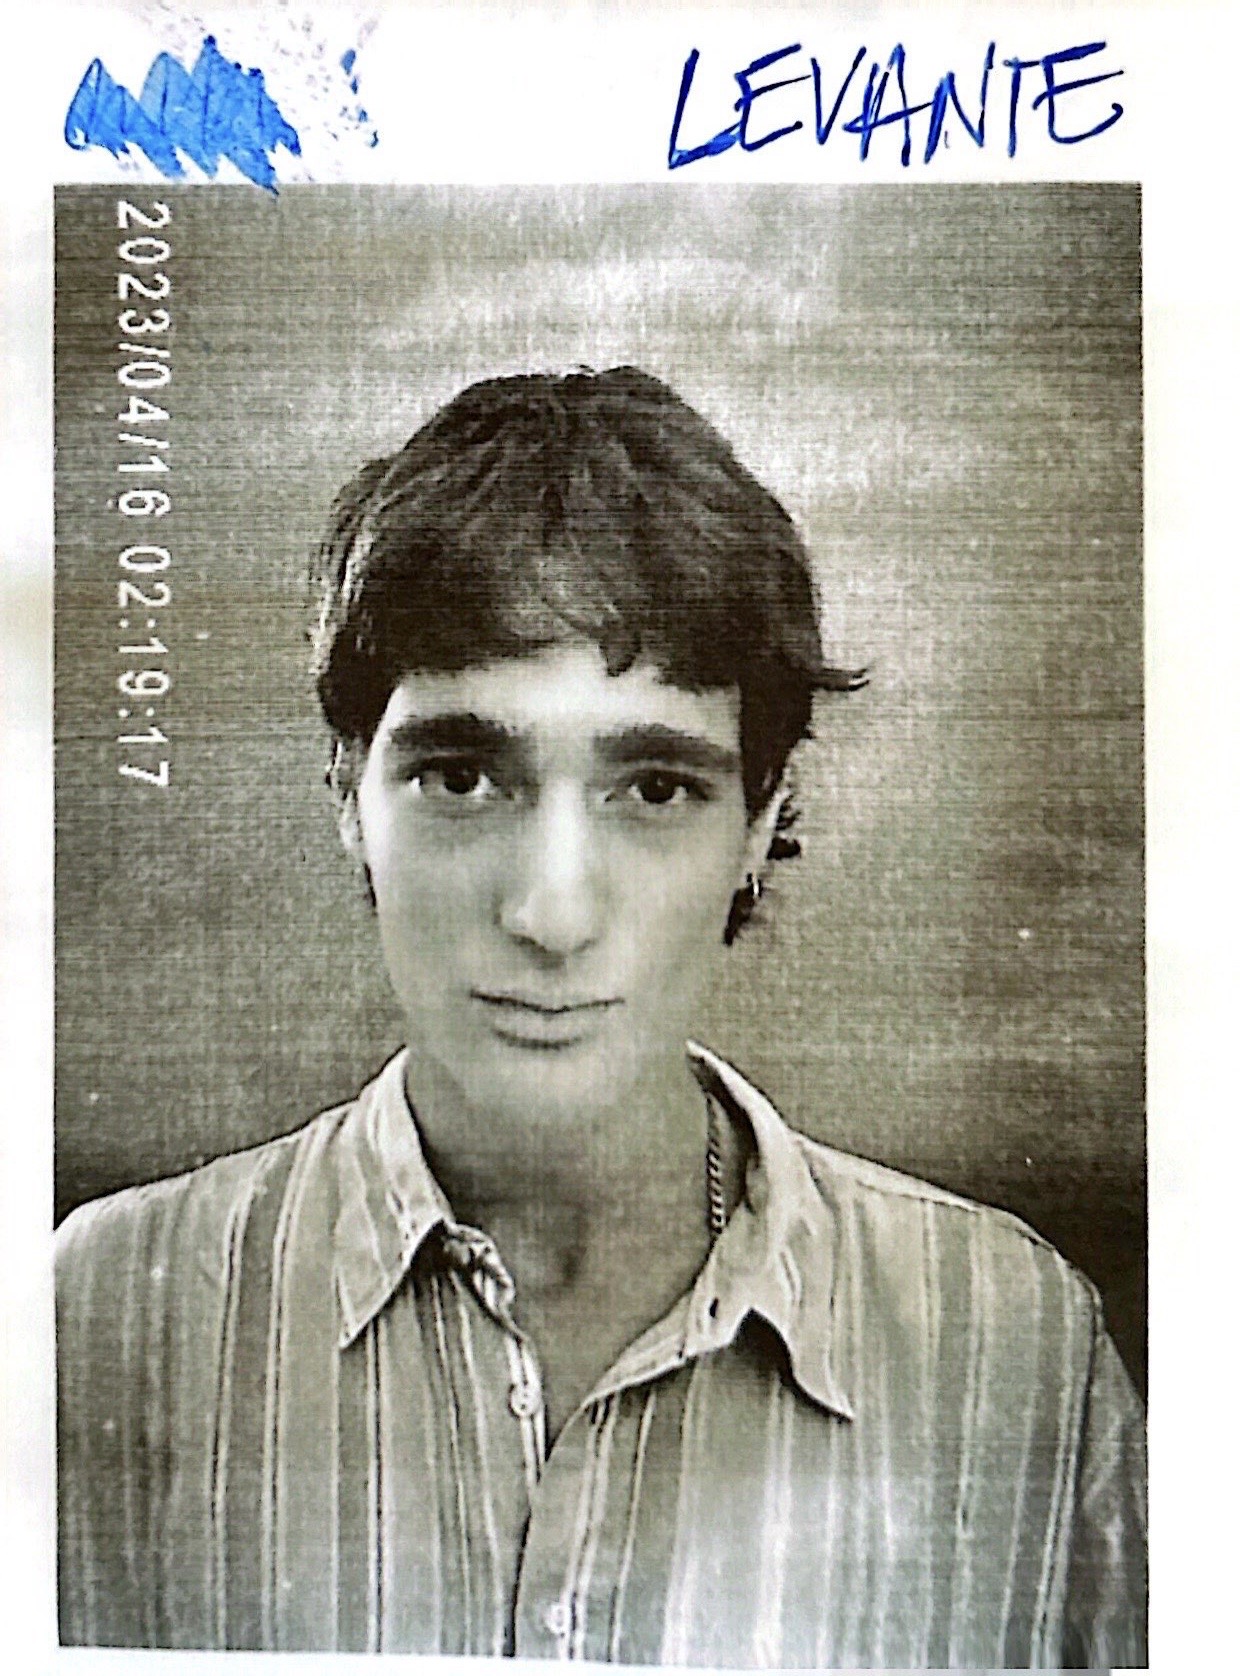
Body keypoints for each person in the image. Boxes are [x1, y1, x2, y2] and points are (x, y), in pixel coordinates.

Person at [55, 366, 1146, 1665]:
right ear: (349, 791)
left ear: (764, 820)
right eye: (462, 776)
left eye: (656, 789)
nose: (552, 914)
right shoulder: (95, 1318)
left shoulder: (1017, 1342)